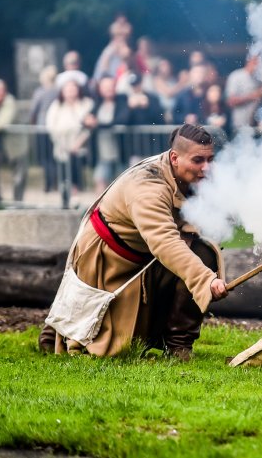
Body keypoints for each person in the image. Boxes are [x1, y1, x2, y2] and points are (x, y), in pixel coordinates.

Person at [38, 124, 229, 360]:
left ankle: (178, 344)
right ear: (174, 158)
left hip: (143, 257)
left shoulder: (185, 173)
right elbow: (165, 242)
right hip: (108, 263)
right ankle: (60, 331)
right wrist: (205, 280)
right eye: (198, 160)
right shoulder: (148, 187)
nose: (207, 168)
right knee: (103, 341)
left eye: (211, 159)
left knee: (202, 250)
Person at [46, 79, 94, 200]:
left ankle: (77, 196)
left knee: (76, 173)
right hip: (62, 145)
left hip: (80, 146)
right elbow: (50, 125)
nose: (70, 91)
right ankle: (66, 199)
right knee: (64, 175)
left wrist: (78, 143)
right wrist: (61, 143)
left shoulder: (86, 104)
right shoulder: (56, 105)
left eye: (73, 88)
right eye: (67, 89)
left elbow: (88, 126)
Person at [85, 76, 126, 193]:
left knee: (122, 182)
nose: (108, 89)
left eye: (111, 86)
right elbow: (87, 118)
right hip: (102, 151)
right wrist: (86, 121)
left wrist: (97, 124)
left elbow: (121, 120)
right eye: (105, 87)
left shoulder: (122, 100)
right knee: (100, 179)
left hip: (120, 150)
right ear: (100, 89)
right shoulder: (98, 103)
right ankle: (99, 209)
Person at [29, 65, 61, 192]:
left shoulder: (40, 92)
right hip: (57, 127)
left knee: (45, 158)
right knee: (54, 157)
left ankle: (48, 185)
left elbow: (33, 110)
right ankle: (56, 183)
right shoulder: (58, 91)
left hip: (42, 127)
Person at [225, 53, 262, 137]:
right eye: (258, 62)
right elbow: (230, 101)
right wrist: (253, 95)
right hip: (239, 128)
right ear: (251, 61)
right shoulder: (236, 76)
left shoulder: (259, 79)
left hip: (255, 128)